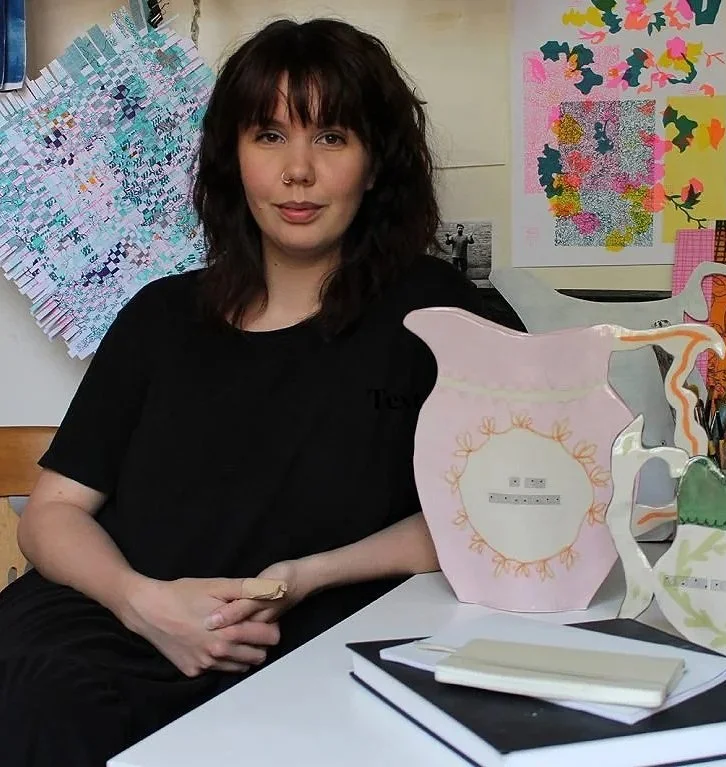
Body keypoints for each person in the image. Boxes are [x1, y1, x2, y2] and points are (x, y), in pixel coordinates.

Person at [0, 17, 525, 767]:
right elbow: (51, 515)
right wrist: (144, 603)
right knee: (39, 698)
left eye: (332, 137)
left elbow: (503, 510)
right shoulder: (160, 315)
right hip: (111, 621)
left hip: (306, 633)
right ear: (233, 157)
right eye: (269, 136)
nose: (297, 171)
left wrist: (308, 575)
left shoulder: (437, 314)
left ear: (375, 162)